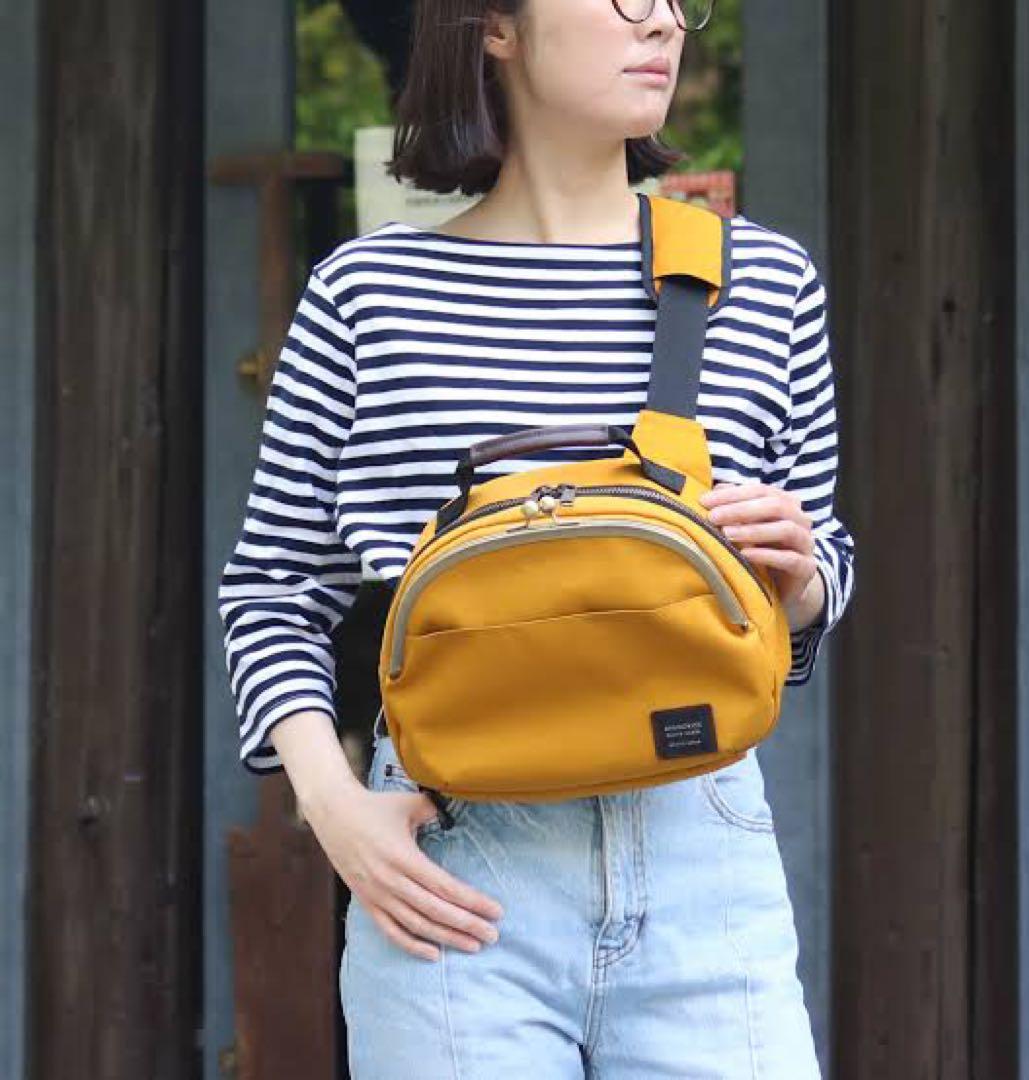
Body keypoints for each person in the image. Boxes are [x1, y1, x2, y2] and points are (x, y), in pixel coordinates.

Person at [218, 0, 855, 1075]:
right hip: (455, 868)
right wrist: (333, 810)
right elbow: (274, 590)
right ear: (496, 28)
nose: (663, 22)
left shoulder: (764, 283)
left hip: (704, 859)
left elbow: (817, 574)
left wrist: (799, 581)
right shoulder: (367, 295)